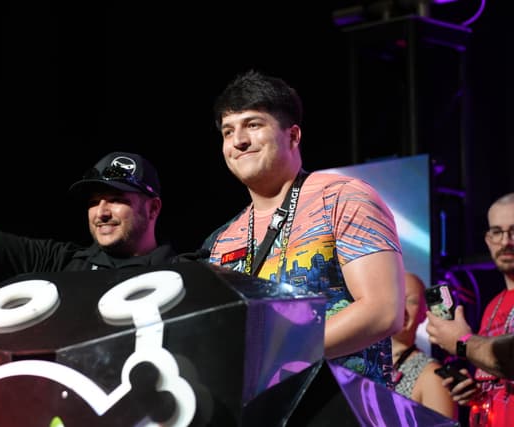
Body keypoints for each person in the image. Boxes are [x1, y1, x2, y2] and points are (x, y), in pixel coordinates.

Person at [201, 70, 405, 387]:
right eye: (228, 132)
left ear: (293, 136)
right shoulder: (223, 240)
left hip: (342, 408)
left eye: (253, 125)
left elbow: (383, 310)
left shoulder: (344, 197)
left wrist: (277, 355)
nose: (238, 141)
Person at [0, 151, 192, 278]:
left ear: (153, 208)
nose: (102, 212)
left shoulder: (184, 275)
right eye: (94, 202)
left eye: (115, 199)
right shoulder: (60, 262)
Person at [426, 192, 514, 426]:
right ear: (487, 239)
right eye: (497, 232)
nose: (506, 241)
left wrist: (461, 342)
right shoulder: (492, 306)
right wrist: (476, 392)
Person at [391, 272, 457, 418]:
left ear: (423, 313)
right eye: (395, 296)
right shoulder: (359, 363)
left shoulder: (433, 377)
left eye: (412, 301)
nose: (402, 308)